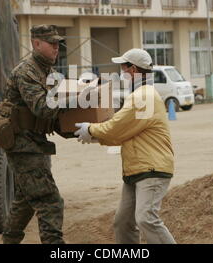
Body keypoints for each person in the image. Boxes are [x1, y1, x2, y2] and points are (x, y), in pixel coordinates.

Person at [74, 48, 176, 244]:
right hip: (136, 169)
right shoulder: (139, 95)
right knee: (123, 223)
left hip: (152, 169)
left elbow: (116, 127)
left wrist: (92, 130)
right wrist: (95, 135)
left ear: (134, 70)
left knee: (146, 219)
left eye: (123, 68)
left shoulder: (144, 97)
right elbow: (122, 133)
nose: (121, 72)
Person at [2, 24, 66, 244]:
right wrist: (75, 97)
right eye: (52, 44)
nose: (56, 48)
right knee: (50, 201)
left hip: (35, 142)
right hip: (23, 146)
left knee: (25, 199)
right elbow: (43, 107)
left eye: (58, 44)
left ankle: (9, 241)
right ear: (36, 43)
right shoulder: (26, 72)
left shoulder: (48, 72)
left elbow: (55, 115)